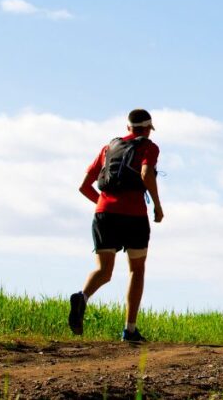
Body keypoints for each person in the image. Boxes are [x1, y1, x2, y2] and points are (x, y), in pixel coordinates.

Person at [68, 108, 164, 342]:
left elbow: (84, 186)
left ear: (128, 128)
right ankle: (130, 330)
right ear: (148, 129)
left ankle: (82, 297)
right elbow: (145, 174)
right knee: (136, 269)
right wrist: (158, 206)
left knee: (103, 270)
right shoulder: (149, 147)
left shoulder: (108, 148)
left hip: (104, 215)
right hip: (134, 215)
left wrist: (104, 203)